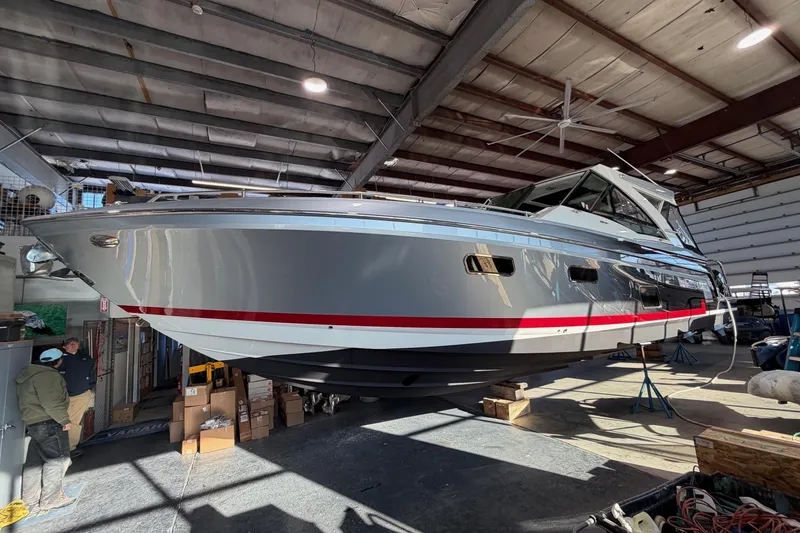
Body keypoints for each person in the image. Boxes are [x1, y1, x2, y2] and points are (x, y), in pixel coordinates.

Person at [16, 348, 74, 516]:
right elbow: (51, 402)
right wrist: (64, 420)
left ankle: (29, 499)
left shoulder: (28, 375)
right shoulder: (48, 376)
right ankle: (50, 500)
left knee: (34, 463)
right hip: (49, 423)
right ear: (56, 361)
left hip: (34, 423)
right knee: (59, 460)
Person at [60, 337, 96, 451]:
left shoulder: (86, 358)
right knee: (61, 421)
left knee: (73, 421)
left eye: (75, 343)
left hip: (80, 394)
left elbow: (91, 373)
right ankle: (62, 446)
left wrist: (89, 387)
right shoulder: (59, 359)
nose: (72, 345)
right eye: (69, 344)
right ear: (64, 347)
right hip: (61, 396)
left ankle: (69, 447)